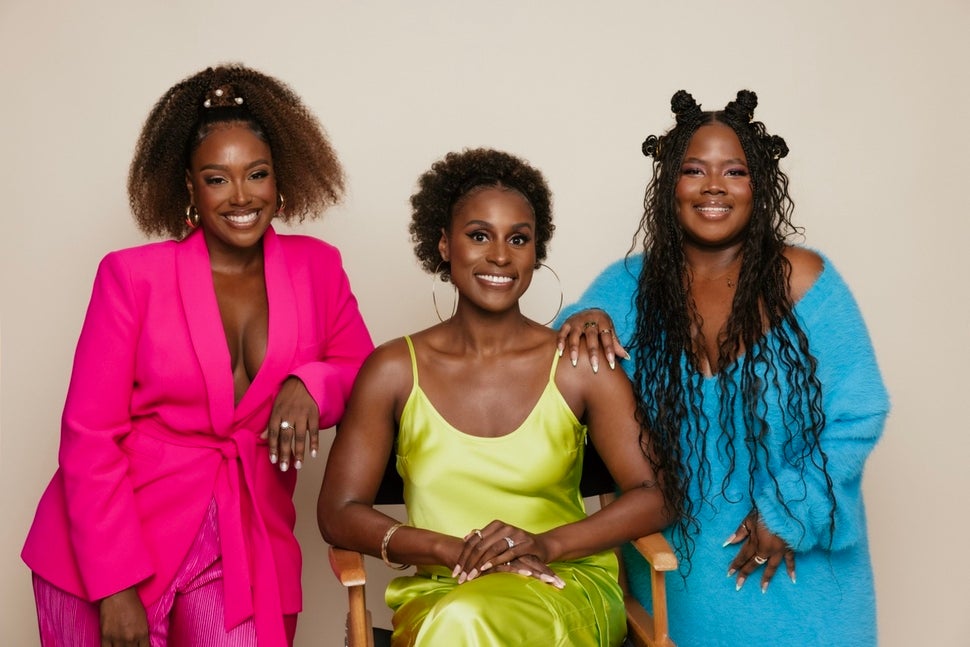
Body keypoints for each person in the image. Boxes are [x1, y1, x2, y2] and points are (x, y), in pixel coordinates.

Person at [22, 64, 374, 647]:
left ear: (280, 179)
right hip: (114, 542)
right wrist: (114, 588)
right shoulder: (132, 278)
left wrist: (310, 382)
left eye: (256, 174)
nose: (241, 196)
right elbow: (89, 437)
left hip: (244, 538)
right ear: (188, 185)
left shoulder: (318, 267)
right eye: (218, 178)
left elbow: (363, 371)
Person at [556, 90, 890, 646]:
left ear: (758, 186)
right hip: (679, 581)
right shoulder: (627, 286)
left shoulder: (805, 282)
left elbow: (858, 414)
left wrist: (789, 513)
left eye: (734, 170)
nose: (714, 185)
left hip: (801, 581)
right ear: (670, 187)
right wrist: (580, 314)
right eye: (694, 170)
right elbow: (553, 363)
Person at [318, 148, 679, 646]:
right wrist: (449, 550)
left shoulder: (579, 365)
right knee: (461, 617)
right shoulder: (393, 370)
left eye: (518, 239)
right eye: (479, 235)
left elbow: (657, 493)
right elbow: (338, 511)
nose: (500, 256)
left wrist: (546, 544)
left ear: (536, 251)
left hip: (561, 586)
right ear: (444, 244)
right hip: (443, 595)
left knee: (465, 623)